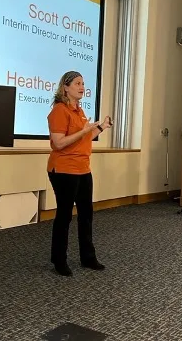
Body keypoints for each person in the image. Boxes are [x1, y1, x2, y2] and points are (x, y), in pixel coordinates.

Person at [47, 71, 112, 276]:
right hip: (64, 169)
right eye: (77, 83)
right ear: (65, 87)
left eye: (83, 83)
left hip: (83, 168)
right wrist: (84, 131)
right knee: (64, 215)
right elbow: (58, 143)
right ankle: (59, 260)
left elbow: (83, 138)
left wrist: (100, 127)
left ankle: (88, 258)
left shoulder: (79, 110)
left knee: (86, 215)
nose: (82, 87)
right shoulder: (59, 110)